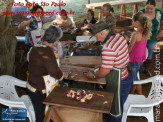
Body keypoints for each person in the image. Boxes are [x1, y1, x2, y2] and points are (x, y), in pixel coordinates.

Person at [87, 22, 133, 122]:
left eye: (96, 36)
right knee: (116, 108)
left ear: (102, 34)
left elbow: (105, 72)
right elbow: (117, 58)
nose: (96, 39)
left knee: (115, 112)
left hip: (120, 82)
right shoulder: (118, 37)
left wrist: (94, 75)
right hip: (127, 76)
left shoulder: (108, 47)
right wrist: (104, 65)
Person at [27, 25, 66, 122]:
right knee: (41, 116)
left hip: (32, 85)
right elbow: (54, 72)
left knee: (39, 113)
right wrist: (62, 76)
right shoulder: (46, 51)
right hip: (39, 89)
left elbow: (40, 64)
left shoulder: (36, 45)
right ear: (55, 40)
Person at [129, 12, 152, 94]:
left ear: (137, 22)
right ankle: (138, 93)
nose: (132, 23)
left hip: (134, 59)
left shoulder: (135, 34)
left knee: (135, 78)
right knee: (136, 76)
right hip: (140, 59)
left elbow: (130, 48)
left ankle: (138, 94)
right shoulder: (144, 32)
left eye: (133, 21)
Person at [140, 0, 163, 76]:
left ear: (155, 7)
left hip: (153, 37)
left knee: (149, 53)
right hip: (142, 37)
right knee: (140, 51)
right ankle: (138, 66)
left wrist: (161, 31)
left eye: (151, 8)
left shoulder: (159, 13)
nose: (149, 10)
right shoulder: (141, 13)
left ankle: (146, 69)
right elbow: (135, 23)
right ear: (145, 6)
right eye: (147, 8)